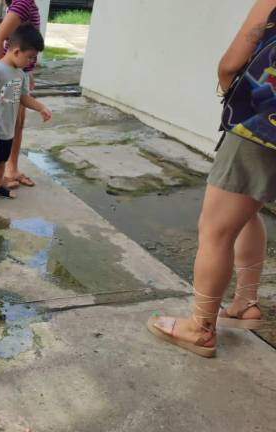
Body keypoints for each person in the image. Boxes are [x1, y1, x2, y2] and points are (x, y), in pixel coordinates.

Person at [147, 0, 274, 357]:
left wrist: (225, 83)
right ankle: (245, 303)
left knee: (215, 228)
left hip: (261, 124)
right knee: (247, 209)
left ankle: (200, 328)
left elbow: (232, 63)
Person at [0, 24, 51, 207]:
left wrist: (41, 107)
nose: (31, 62)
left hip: (7, 128)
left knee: (1, 161)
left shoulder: (20, 74)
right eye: (29, 57)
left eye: (34, 58)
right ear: (15, 51)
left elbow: (23, 98)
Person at [0, 0, 41, 190]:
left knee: (16, 124)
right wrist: (0, 75)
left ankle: (10, 169)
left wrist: (28, 70)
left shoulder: (25, 2)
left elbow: (21, 42)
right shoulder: (23, 2)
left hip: (19, 72)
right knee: (6, 124)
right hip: (11, 75)